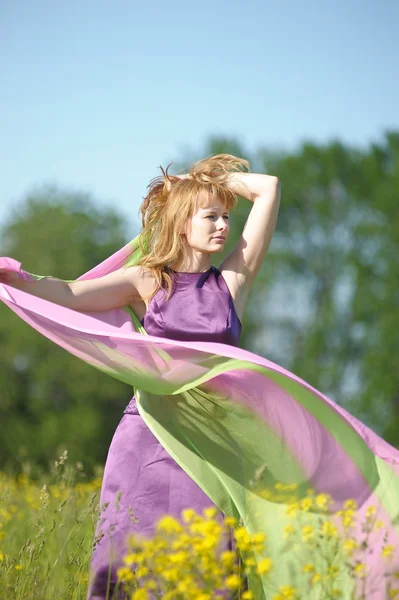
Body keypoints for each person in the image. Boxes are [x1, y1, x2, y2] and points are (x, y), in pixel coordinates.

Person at [1, 154, 399, 600]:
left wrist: (207, 180)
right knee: (128, 559)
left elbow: (268, 187)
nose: (223, 225)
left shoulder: (231, 281)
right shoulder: (148, 281)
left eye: (227, 216)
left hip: (214, 445)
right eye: (210, 215)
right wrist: (19, 278)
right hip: (148, 438)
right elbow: (70, 294)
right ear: (182, 221)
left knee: (209, 562)